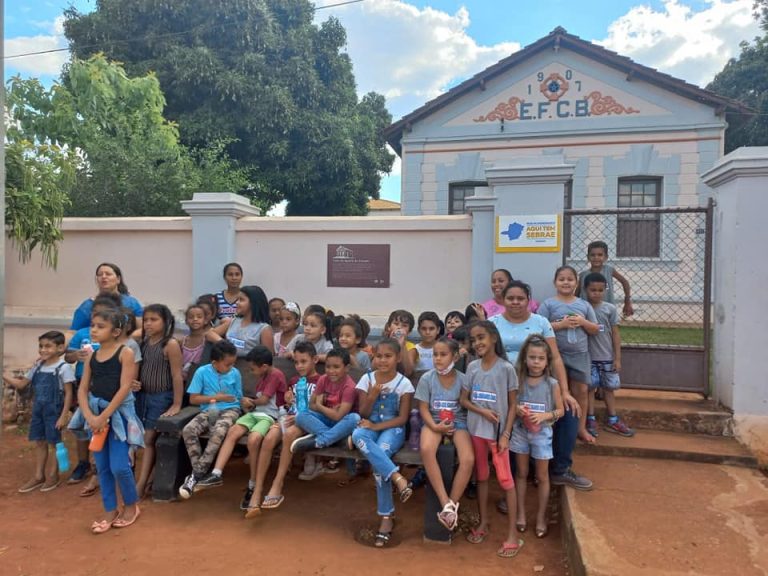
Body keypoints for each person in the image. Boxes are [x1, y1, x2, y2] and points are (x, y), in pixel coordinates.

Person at [488, 281, 591, 492]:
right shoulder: (493, 323)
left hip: (539, 385)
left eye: (520, 298)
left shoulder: (541, 322)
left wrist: (564, 392)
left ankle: (560, 470)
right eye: (511, 298)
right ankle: (514, 483)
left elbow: (555, 359)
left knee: (569, 411)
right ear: (503, 300)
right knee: (512, 417)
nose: (515, 302)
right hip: (506, 387)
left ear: (528, 300)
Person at [193, 346, 286, 518]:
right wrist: (248, 404)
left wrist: (248, 401)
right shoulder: (264, 375)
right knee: (234, 431)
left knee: (253, 440)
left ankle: (252, 484)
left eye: (252, 368)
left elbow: (264, 400)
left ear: (264, 366)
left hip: (269, 416)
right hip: (255, 414)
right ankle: (216, 473)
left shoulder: (275, 375)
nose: (250, 371)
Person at [77, 309, 144, 533]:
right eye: (93, 325)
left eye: (100, 326)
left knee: (119, 467)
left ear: (115, 331)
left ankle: (132, 505)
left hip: (118, 418)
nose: (94, 330)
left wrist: (103, 417)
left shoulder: (125, 353)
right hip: (96, 417)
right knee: (102, 467)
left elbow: (125, 387)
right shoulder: (92, 357)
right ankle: (109, 509)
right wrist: (89, 416)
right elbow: (83, 388)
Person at [460, 321, 522, 558]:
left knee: (506, 480)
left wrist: (506, 434)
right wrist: (482, 411)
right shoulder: (473, 367)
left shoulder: (506, 368)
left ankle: (513, 535)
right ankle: (483, 523)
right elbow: (464, 400)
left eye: (481, 337)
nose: (477, 343)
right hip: (477, 431)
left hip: (498, 437)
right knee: (482, 477)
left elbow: (513, 404)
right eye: (473, 339)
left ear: (494, 338)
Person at [352, 337, 415, 548]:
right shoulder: (366, 379)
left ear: (397, 358)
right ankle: (397, 477)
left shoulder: (403, 383)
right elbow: (363, 413)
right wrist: (372, 395)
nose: (383, 360)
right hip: (369, 426)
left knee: (380, 460)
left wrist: (376, 427)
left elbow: (402, 418)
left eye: (388, 356)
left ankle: (386, 518)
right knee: (358, 435)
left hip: (393, 429)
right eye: (379, 356)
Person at [4, 331, 75, 493]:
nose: (43, 350)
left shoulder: (63, 368)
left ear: (60, 348)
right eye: (41, 346)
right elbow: (22, 385)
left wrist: (64, 415)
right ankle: (38, 476)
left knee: (55, 443)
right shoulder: (37, 366)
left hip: (54, 410)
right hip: (38, 410)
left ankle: (53, 475)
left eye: (48, 346)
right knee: (40, 442)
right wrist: (4, 376)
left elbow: (69, 393)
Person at [415, 337, 473, 531]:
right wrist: (434, 426)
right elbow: (423, 408)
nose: (438, 359)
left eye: (443, 354)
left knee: (468, 459)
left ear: (455, 356)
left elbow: (466, 407)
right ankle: (444, 501)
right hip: (433, 421)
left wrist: (450, 427)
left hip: (458, 422)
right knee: (426, 448)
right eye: (435, 354)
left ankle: (451, 507)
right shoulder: (427, 378)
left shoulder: (464, 380)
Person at [257, 341, 323, 511]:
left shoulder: (321, 381)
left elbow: (320, 407)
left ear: (315, 359)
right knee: (269, 438)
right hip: (288, 417)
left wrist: (302, 416)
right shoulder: (293, 380)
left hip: (305, 421)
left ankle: (276, 484)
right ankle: (256, 488)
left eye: (303, 361)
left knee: (289, 434)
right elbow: (285, 405)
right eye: (296, 362)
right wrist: (286, 401)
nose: (299, 366)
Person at [64, 292, 122, 487]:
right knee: (81, 424)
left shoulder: (118, 340)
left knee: (105, 428)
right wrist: (76, 355)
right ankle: (83, 463)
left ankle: (103, 468)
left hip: (106, 389)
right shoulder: (82, 333)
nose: (97, 322)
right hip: (84, 385)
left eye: (103, 316)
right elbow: (68, 356)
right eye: (95, 314)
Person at [537, 266, 599, 445]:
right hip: (556, 355)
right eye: (561, 279)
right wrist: (561, 325)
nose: (566, 282)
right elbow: (539, 328)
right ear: (555, 282)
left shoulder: (584, 305)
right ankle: (554, 425)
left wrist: (583, 321)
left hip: (580, 355)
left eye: (570, 279)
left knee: (581, 391)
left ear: (576, 283)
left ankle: (580, 427)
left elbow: (596, 329)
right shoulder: (548, 304)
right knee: (555, 391)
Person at [511, 335, 564, 539]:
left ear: (546, 361)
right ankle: (521, 513)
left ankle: (541, 516)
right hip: (520, 433)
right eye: (532, 357)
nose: (535, 362)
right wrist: (517, 409)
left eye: (540, 358)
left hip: (542, 435)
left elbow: (560, 411)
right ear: (525, 358)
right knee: (522, 473)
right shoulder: (518, 381)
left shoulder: (552, 384)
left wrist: (544, 415)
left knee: (542, 476)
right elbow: (510, 404)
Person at [179, 340, 243, 499]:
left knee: (219, 431)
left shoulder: (235, 373)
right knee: (188, 430)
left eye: (233, 363)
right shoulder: (202, 372)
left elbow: (239, 398)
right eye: (227, 364)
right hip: (209, 410)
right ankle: (200, 473)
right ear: (215, 362)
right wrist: (216, 397)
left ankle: (194, 476)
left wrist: (246, 403)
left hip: (230, 409)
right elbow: (193, 399)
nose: (231, 367)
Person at [134, 304, 184, 497]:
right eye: (146, 320)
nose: (148, 323)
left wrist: (177, 403)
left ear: (166, 321)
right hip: (143, 396)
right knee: (141, 438)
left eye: (154, 319)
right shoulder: (144, 343)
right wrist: (135, 384)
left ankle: (142, 482)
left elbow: (177, 375)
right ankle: (146, 477)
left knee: (149, 438)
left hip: (162, 397)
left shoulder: (169, 344)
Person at [583, 273, 634, 437]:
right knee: (589, 389)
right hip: (588, 359)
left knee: (609, 389)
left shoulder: (610, 308)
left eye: (600, 290)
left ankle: (612, 419)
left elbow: (615, 334)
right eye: (592, 290)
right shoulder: (582, 308)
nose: (596, 293)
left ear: (605, 290)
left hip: (607, 358)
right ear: (585, 290)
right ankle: (590, 419)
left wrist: (617, 358)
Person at [292, 347, 361, 454]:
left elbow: (338, 416)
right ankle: (337, 440)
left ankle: (319, 441)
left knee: (355, 418)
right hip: (326, 420)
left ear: (347, 368)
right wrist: (328, 410)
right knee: (300, 415)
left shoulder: (349, 387)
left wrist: (320, 405)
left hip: (342, 424)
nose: (331, 371)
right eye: (328, 367)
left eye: (336, 367)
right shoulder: (323, 379)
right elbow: (311, 405)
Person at [208, 285, 274, 395]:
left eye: (241, 300)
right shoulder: (233, 321)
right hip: (228, 370)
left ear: (253, 303)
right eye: (237, 299)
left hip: (250, 375)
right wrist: (224, 344)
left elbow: (268, 360)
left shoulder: (263, 328)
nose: (237, 303)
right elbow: (210, 334)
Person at [70, 263, 143, 331]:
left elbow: (142, 329)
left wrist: (124, 340)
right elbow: (74, 331)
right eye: (100, 274)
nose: (104, 277)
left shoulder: (132, 303)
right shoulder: (87, 305)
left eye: (108, 274)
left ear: (118, 279)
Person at [576, 241, 634, 317]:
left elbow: (625, 282)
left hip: (606, 311)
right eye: (593, 255)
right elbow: (577, 293)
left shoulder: (609, 270)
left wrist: (627, 301)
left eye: (600, 255)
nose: (596, 257)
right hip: (587, 312)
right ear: (588, 257)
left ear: (606, 257)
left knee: (607, 328)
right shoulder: (583, 275)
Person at [383, 309, 417, 377]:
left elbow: (408, 372)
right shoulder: (382, 344)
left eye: (404, 325)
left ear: (409, 332)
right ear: (389, 327)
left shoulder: (411, 347)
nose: (399, 327)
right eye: (396, 324)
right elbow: (374, 368)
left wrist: (402, 345)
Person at [180, 304, 208, 384]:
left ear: (205, 320)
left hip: (200, 383)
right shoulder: (182, 341)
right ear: (186, 321)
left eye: (199, 317)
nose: (195, 319)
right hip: (184, 382)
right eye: (191, 317)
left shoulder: (207, 340)